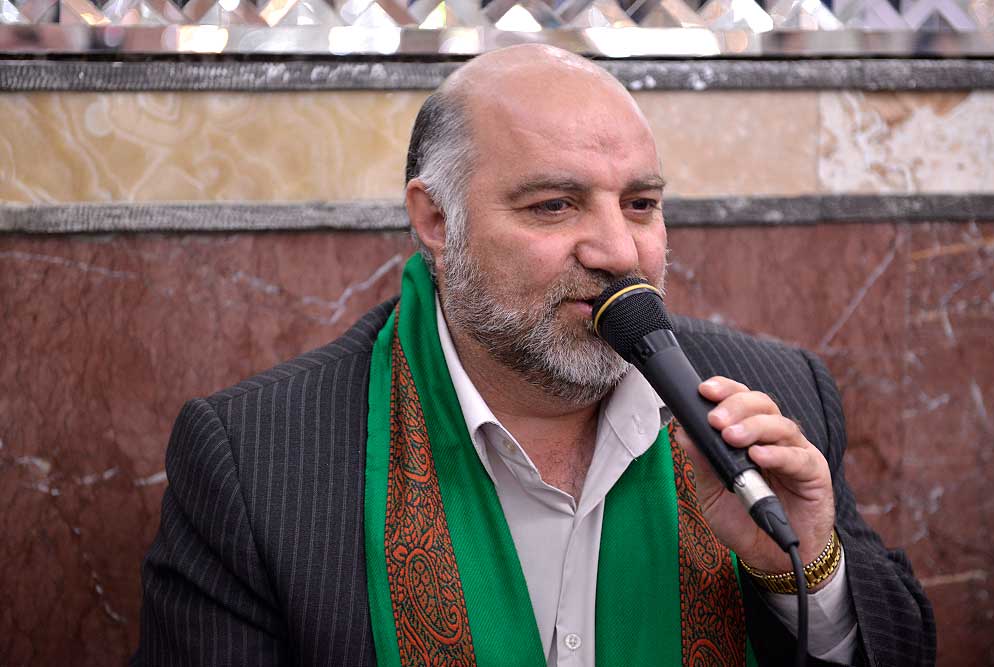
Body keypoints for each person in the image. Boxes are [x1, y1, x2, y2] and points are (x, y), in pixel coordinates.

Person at [133, 45, 935, 666]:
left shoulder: (776, 394)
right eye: (554, 205)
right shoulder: (256, 456)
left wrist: (806, 567)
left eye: (641, 204)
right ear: (436, 221)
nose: (619, 250)